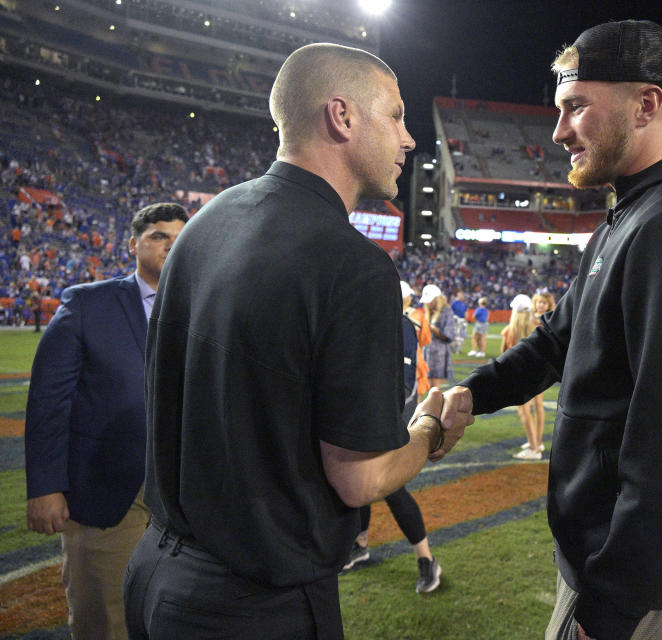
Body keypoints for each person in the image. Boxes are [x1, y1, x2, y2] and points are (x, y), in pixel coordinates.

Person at [123, 44, 469, 640]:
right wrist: (431, 432)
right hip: (251, 602)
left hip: (155, 568)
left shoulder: (206, 223)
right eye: (395, 115)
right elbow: (360, 478)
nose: (409, 139)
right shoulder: (354, 266)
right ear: (342, 116)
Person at [441, 20, 662, 640]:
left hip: (652, 586)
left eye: (576, 107)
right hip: (610, 563)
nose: (559, 131)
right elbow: (557, 341)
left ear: (646, 104)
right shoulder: (633, 213)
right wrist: (472, 396)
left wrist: (610, 606)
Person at [24, 202, 188, 640]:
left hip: (184, 492)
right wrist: (44, 486)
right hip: (110, 489)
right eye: (158, 236)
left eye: (180, 238)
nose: (171, 246)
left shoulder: (206, 306)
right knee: (107, 619)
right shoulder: (87, 304)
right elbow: (48, 400)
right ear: (134, 244)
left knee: (174, 614)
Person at [344, 281, 442, 594]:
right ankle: (360, 543)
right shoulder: (365, 324)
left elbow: (404, 383)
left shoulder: (400, 326)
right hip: (364, 411)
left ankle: (427, 559)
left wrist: (384, 420)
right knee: (358, 478)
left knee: (389, 484)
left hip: (389, 413)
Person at [500, 294, 542, 460]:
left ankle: (534, 448)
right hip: (537, 374)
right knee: (536, 408)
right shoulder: (537, 326)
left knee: (524, 413)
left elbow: (503, 356)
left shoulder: (510, 331)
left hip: (518, 375)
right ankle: (536, 443)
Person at [526, 291, 557, 453]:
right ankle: (535, 440)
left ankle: (537, 442)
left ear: (549, 304)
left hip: (540, 363)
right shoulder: (530, 316)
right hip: (529, 361)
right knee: (531, 403)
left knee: (537, 404)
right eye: (538, 302)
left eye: (544, 303)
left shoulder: (550, 319)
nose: (540, 305)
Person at [421, 283, 456, 387]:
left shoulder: (446, 311)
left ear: (438, 298)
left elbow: (449, 336)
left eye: (430, 300)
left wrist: (433, 329)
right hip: (427, 350)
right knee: (427, 383)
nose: (428, 303)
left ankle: (437, 403)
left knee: (435, 386)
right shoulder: (428, 311)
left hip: (438, 353)